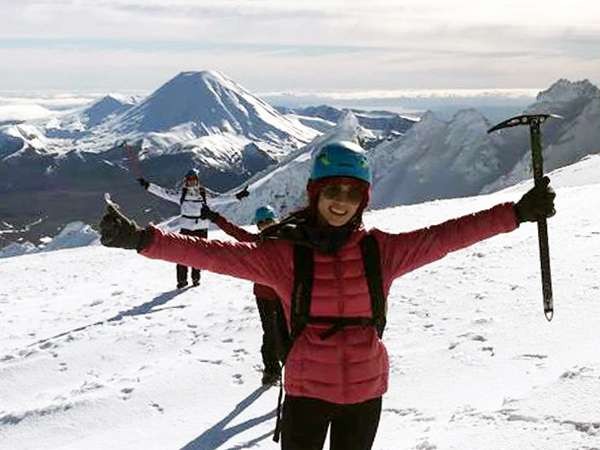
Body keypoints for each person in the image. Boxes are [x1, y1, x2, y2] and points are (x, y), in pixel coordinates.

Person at [100, 141, 556, 450]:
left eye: (352, 193)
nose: (341, 201)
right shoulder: (283, 255)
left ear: (363, 200)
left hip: (365, 394)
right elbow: (214, 255)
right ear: (315, 193)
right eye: (332, 190)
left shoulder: (382, 251)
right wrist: (143, 240)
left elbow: (447, 236)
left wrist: (516, 212)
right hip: (306, 394)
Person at [201, 204, 286, 386]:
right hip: (266, 296)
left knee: (283, 332)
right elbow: (234, 231)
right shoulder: (257, 241)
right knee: (271, 333)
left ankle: (287, 369)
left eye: (268, 220)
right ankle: (272, 371)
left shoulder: (288, 240)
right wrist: (214, 217)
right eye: (261, 222)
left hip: (282, 293)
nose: (265, 224)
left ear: (275, 220)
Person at [137, 168, 212, 288]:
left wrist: (237, 196)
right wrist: (148, 186)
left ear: (197, 180)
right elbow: (164, 192)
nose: (191, 182)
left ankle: (196, 278)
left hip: (201, 229)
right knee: (182, 254)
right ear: (186, 181)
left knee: (199, 255)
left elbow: (221, 198)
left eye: (193, 179)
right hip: (187, 228)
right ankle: (182, 281)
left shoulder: (205, 193)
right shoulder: (181, 194)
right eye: (189, 180)